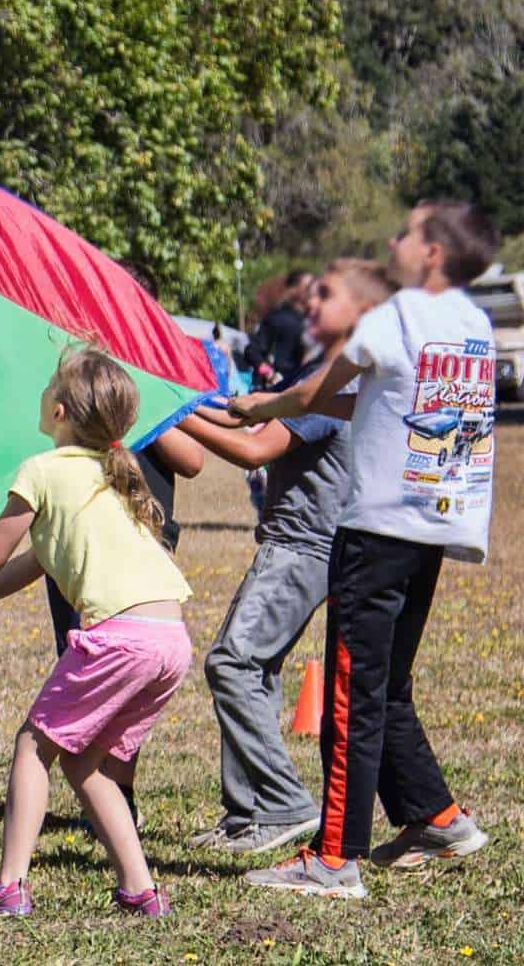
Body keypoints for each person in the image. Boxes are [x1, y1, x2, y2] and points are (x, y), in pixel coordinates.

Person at [233, 203, 497, 899]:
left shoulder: (394, 317)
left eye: (407, 233)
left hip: (377, 534)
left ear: (433, 253)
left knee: (351, 699)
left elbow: (320, 393)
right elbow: (390, 399)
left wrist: (262, 408)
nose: (393, 242)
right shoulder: (474, 325)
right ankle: (435, 818)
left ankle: (332, 860)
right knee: (386, 688)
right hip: (433, 531)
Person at [0, 346, 192, 919]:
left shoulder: (41, 471)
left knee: (33, 745)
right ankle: (141, 892)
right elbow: (30, 564)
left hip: (119, 637)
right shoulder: (112, 473)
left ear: (58, 410)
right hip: (170, 639)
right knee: (83, 763)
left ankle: (8, 887)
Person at [178, 260, 396, 855]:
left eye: (326, 295)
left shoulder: (330, 382)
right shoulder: (333, 376)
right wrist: (186, 404)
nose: (308, 302)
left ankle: (281, 804)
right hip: (307, 542)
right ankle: (245, 813)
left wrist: (176, 416)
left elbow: (252, 450)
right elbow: (244, 416)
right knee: (256, 669)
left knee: (232, 663)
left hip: (301, 545)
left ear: (362, 314)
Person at [43, 428, 202, 827]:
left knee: (121, 680)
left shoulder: (147, 390)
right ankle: (99, 794)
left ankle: (117, 793)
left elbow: (191, 460)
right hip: (77, 538)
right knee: (83, 664)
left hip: (140, 541)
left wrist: (133, 417)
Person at [246, 269, 315, 389]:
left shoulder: (311, 322)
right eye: (308, 287)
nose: (313, 290)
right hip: (271, 389)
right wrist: (270, 374)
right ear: (293, 289)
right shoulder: (277, 319)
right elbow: (252, 352)